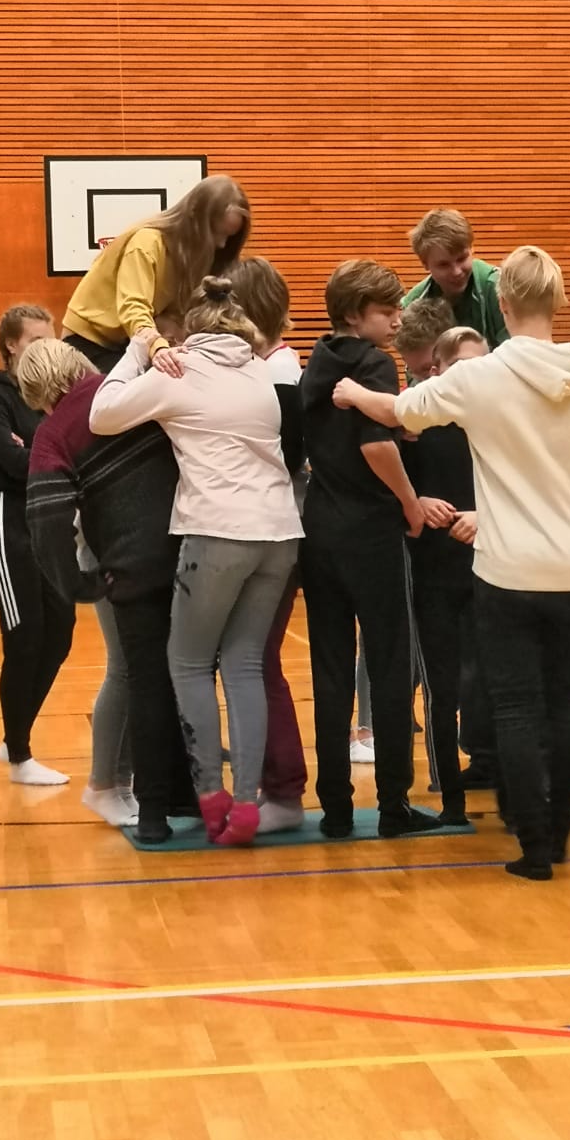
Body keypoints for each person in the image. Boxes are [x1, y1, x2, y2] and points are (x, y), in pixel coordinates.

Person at [335, 247, 570, 880]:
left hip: (507, 570)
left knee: (515, 707)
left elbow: (401, 412)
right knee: (565, 705)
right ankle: (559, 836)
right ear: (558, 302)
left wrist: (352, 391)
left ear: (504, 304)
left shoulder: (483, 375)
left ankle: (534, 848)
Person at [90, 278, 303, 848]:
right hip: (280, 533)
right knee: (244, 665)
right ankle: (249, 803)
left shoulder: (179, 369)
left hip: (216, 532)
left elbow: (101, 415)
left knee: (186, 663)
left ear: (189, 328)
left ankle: (211, 797)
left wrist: (139, 348)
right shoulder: (260, 371)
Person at [17, 338, 197, 843]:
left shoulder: (52, 434)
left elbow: (46, 524)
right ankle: (129, 786)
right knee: (166, 674)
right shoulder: (128, 391)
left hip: (121, 565)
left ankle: (127, 790)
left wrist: (81, 585)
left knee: (136, 674)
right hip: (186, 550)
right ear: (76, 363)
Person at [301, 260, 441, 841]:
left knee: (330, 668)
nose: (398, 319)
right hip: (370, 530)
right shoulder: (374, 363)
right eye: (388, 311)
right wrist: (410, 503)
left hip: (319, 528)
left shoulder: (316, 361)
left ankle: (334, 806)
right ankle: (392, 804)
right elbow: (375, 447)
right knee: (388, 663)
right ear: (357, 314)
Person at [0, 304, 75, 787]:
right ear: (12, 345)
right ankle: (20, 756)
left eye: (50, 339)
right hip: (9, 518)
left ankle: (16, 731)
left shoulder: (53, 393)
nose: (45, 347)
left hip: (49, 520)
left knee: (61, 631)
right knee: (25, 633)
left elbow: (72, 451)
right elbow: (14, 465)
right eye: (35, 339)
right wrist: (47, 452)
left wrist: (36, 449)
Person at [224, 255, 308, 833]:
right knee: (247, 659)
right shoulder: (266, 371)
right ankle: (266, 782)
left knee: (254, 659)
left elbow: (283, 458)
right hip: (262, 529)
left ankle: (282, 789)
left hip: (273, 532)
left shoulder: (277, 376)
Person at [399, 323, 491, 828]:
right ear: (436, 371)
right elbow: (393, 485)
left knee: (495, 679)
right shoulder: (417, 423)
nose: (472, 377)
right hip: (434, 570)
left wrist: (486, 516)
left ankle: (504, 777)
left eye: (480, 366)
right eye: (460, 367)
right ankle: (449, 796)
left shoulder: (498, 423)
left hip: (492, 569)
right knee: (441, 687)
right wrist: (417, 501)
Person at [61, 174, 250, 373]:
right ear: (194, 217)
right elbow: (134, 306)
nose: (221, 244)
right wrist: (157, 346)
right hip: (89, 342)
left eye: (228, 237)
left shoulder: (193, 257)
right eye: (216, 232)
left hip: (126, 342)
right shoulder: (147, 243)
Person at [402, 208, 508, 349]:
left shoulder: (499, 289)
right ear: (425, 264)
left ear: (472, 248)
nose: (456, 272)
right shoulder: (413, 303)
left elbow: (515, 353)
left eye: (461, 259)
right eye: (444, 265)